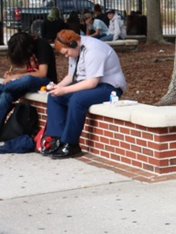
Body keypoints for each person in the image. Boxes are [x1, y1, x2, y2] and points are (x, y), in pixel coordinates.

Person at [43, 29, 126, 158]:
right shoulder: (76, 51)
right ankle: (57, 139)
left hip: (109, 87)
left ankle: (71, 144)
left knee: (77, 100)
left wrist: (64, 90)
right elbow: (71, 76)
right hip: (89, 85)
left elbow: (92, 82)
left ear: (73, 44)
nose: (66, 56)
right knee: (54, 98)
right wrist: (57, 88)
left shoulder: (94, 50)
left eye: (66, 52)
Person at [0, 23, 57, 128]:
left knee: (27, 79)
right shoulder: (25, 51)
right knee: (5, 95)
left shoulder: (41, 45)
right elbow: (27, 70)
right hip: (29, 82)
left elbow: (42, 73)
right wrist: (14, 75)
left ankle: (2, 87)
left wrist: (16, 77)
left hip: (46, 82)